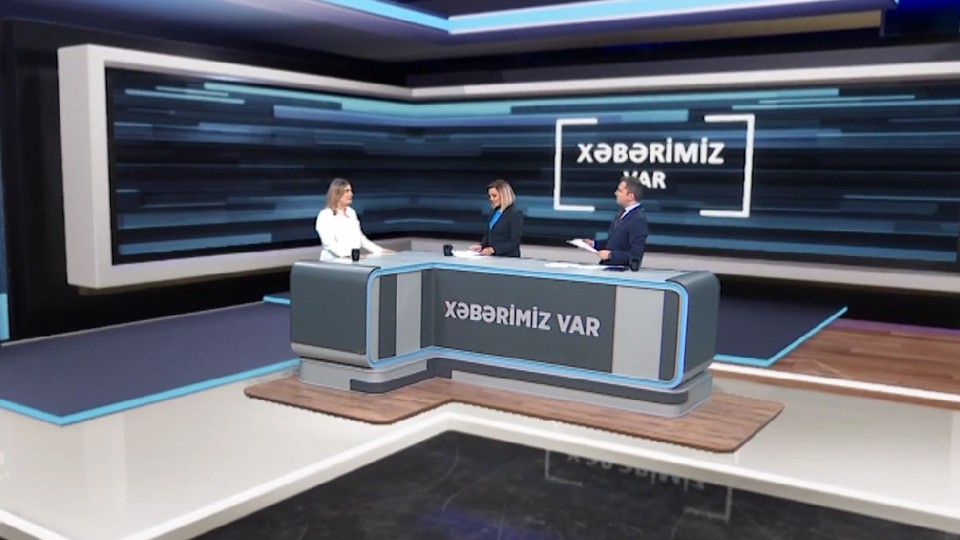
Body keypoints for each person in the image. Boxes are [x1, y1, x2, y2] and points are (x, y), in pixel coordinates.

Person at [315, 178, 393, 261]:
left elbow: (360, 237)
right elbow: (330, 244)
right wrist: (350, 254)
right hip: (332, 262)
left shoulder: (351, 212)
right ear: (337, 194)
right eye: (347, 191)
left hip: (353, 260)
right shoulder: (325, 215)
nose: (351, 194)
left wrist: (379, 250)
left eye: (351, 191)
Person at [581, 176, 649, 266]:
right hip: (607, 268)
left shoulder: (638, 219)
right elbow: (614, 243)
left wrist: (611, 255)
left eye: (620, 191)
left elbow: (635, 256)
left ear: (630, 196)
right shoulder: (621, 213)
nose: (616, 193)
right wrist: (593, 244)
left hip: (621, 272)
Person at [470, 179, 524, 257]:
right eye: (490, 196)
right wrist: (481, 246)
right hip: (493, 258)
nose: (491, 199)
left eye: (494, 196)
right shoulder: (493, 212)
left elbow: (514, 242)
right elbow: (489, 235)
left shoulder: (515, 214)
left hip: (508, 258)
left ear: (504, 196)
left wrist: (493, 249)